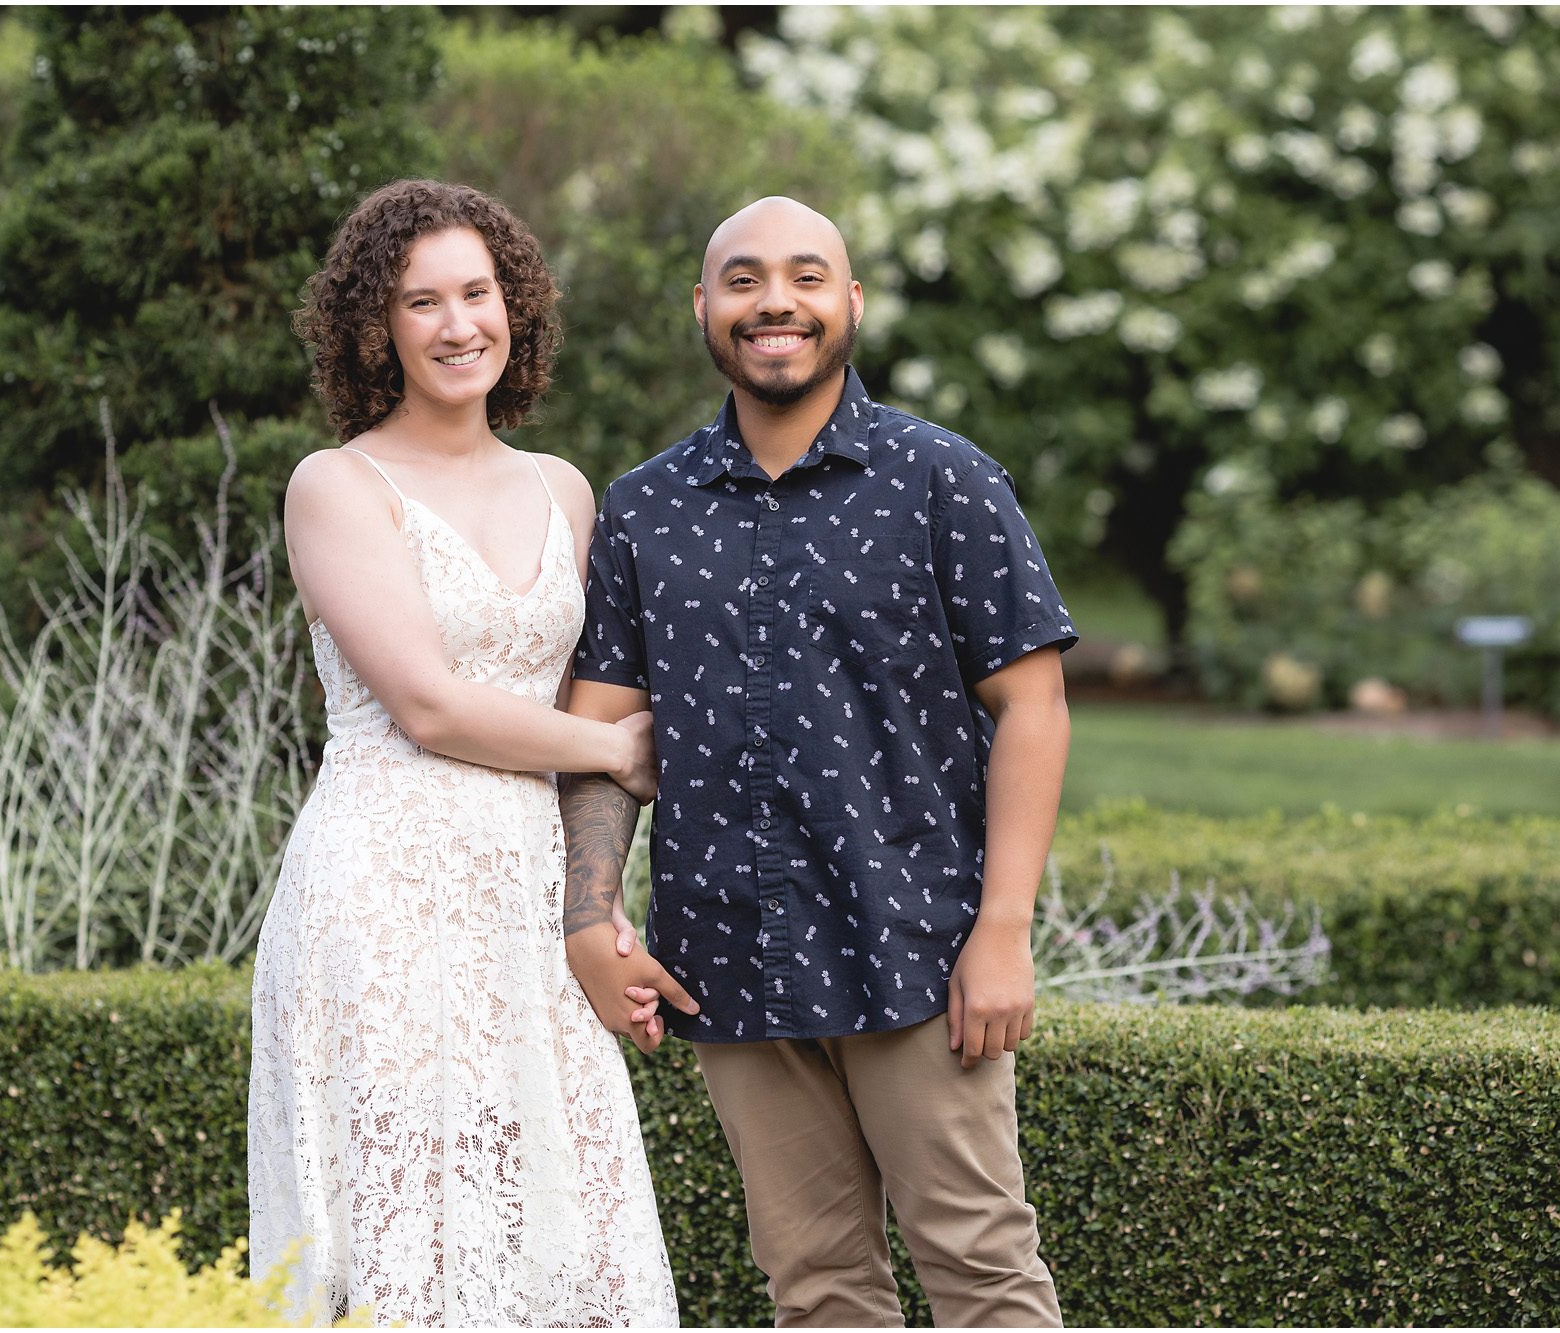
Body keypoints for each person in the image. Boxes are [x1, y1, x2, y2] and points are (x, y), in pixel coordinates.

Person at [560, 197, 1074, 1327]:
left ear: (849, 303)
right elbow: (599, 738)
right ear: (704, 309)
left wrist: (1001, 928)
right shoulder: (644, 509)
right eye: (742, 280)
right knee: (817, 1289)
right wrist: (588, 915)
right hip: (728, 957)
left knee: (982, 1273)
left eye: (804, 276)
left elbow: (1032, 706)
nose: (773, 302)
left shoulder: (943, 479)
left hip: (915, 949)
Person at [247, 179, 681, 1328]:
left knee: (552, 1200)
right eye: (420, 301)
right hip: (381, 891)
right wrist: (614, 745)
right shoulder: (336, 486)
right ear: (374, 329)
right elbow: (429, 707)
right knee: (399, 1210)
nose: (456, 325)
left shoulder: (564, 490)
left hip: (528, 887)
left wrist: (601, 892)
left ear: (515, 306)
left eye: (477, 293)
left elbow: (591, 683)